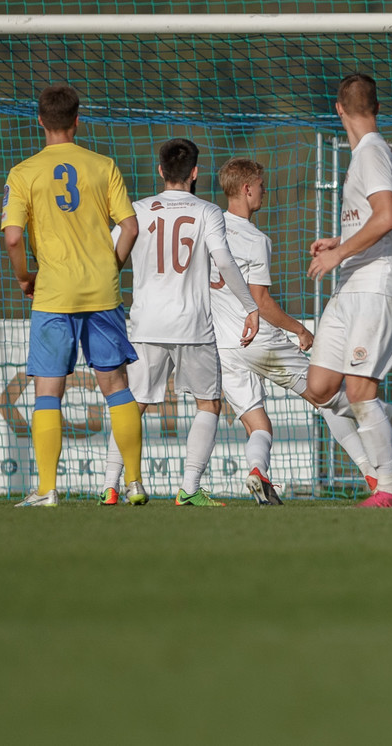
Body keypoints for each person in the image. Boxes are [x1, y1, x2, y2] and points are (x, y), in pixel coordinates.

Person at [208, 157, 392, 505]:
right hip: (260, 341)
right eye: (261, 185)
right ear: (247, 190)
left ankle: (258, 473)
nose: (266, 191)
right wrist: (300, 331)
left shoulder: (208, 227)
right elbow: (260, 302)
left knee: (259, 426)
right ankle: (384, 442)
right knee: (326, 399)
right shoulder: (254, 238)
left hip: (224, 347)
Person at [1, 83, 145, 507]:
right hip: (101, 292)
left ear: (40, 122)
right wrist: (110, 267)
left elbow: (12, 238)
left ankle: (47, 490)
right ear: (78, 121)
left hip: (53, 294)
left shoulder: (24, 172)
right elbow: (131, 228)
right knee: (116, 385)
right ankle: (134, 483)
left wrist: (25, 277)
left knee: (49, 391)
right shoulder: (103, 165)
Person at [102, 138, 261, 507]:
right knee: (209, 404)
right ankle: (189, 487)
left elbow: (109, 259)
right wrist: (249, 306)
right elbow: (224, 262)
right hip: (192, 325)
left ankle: (111, 485)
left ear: (160, 171)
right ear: (194, 172)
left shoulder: (136, 211)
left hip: (146, 324)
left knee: (133, 406)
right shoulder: (208, 212)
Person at [303, 73, 392, 509]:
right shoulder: (363, 155)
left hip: (376, 285)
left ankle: (389, 488)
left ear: (338, 110)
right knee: (319, 387)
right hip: (352, 281)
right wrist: (340, 242)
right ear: (376, 106)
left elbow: (386, 216)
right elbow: (372, 219)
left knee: (358, 391)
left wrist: (337, 254)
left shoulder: (371, 152)